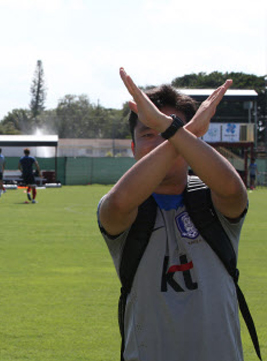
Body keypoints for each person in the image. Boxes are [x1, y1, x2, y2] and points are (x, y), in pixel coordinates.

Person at [97, 68, 248, 361]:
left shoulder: (213, 197)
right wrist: (181, 132)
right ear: (133, 147)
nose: (161, 141)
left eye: (167, 132)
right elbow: (116, 206)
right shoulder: (122, 205)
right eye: (148, 134)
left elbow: (234, 191)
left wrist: (172, 131)